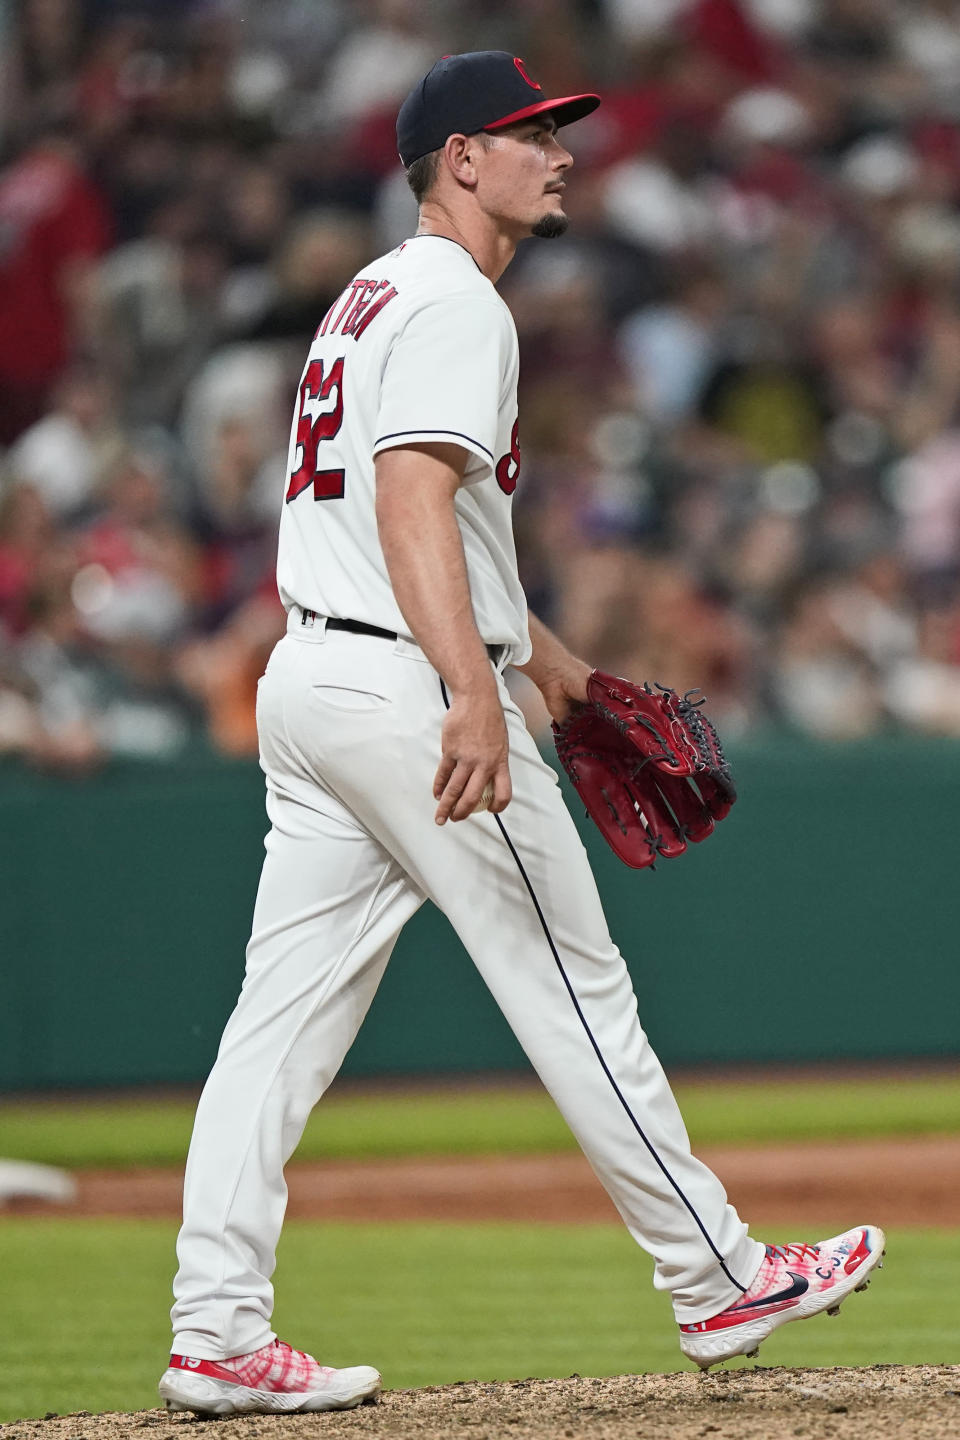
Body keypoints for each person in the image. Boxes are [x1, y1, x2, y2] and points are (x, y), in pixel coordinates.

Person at [159, 52, 884, 1417]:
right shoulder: (453, 302)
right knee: (574, 983)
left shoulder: (373, 295)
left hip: (317, 682)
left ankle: (215, 1330)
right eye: (528, 133)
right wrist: (471, 692)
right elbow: (412, 504)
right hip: (403, 694)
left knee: (275, 1027)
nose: (559, 151)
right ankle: (718, 1276)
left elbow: (449, 540)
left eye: (558, 132)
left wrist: (549, 671)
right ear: (458, 160)